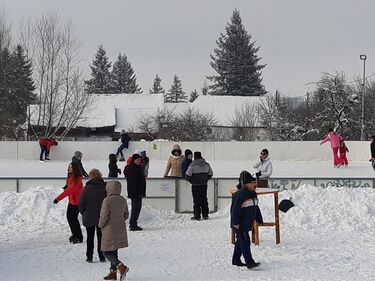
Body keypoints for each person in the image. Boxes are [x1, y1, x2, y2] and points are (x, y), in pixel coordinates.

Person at [230, 171, 263, 269]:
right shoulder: (240, 195)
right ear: (247, 184)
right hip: (239, 224)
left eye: (255, 182)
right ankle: (250, 262)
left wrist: (259, 219)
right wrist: (235, 223)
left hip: (247, 223)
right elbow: (234, 210)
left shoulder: (253, 194)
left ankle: (236, 260)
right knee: (245, 241)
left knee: (241, 241)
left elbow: (256, 207)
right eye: (253, 183)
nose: (255, 184)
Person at [99, 181, 129, 281]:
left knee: (105, 252)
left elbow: (104, 216)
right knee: (114, 251)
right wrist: (119, 221)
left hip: (109, 229)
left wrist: (100, 225)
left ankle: (121, 266)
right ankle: (113, 273)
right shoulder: (122, 199)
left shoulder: (107, 200)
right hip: (120, 228)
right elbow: (126, 215)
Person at [79, 169, 107, 263]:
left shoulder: (86, 189)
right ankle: (102, 256)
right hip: (102, 216)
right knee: (101, 237)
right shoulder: (105, 188)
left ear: (90, 177)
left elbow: (81, 203)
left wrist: (83, 212)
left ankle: (89, 256)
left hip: (89, 216)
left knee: (90, 238)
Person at [53, 162, 83, 244]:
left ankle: (79, 236)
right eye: (69, 167)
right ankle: (75, 234)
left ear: (75, 169)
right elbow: (69, 186)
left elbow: (70, 190)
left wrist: (58, 199)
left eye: (71, 167)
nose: (69, 168)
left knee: (73, 219)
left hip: (77, 202)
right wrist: (66, 186)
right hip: (72, 201)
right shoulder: (70, 176)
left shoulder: (78, 178)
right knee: (70, 218)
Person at [185, 151, 213, 220]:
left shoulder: (192, 165)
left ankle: (197, 216)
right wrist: (205, 179)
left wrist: (191, 181)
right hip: (204, 185)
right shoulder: (207, 164)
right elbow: (211, 174)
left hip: (195, 185)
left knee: (196, 201)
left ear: (195, 156)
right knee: (204, 199)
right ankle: (205, 215)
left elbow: (187, 175)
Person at [124, 154, 146, 231]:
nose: (139, 161)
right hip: (135, 192)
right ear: (133, 160)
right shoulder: (131, 168)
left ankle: (134, 223)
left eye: (140, 160)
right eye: (137, 160)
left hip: (138, 191)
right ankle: (133, 224)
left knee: (137, 207)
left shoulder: (137, 167)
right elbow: (133, 181)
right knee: (136, 208)